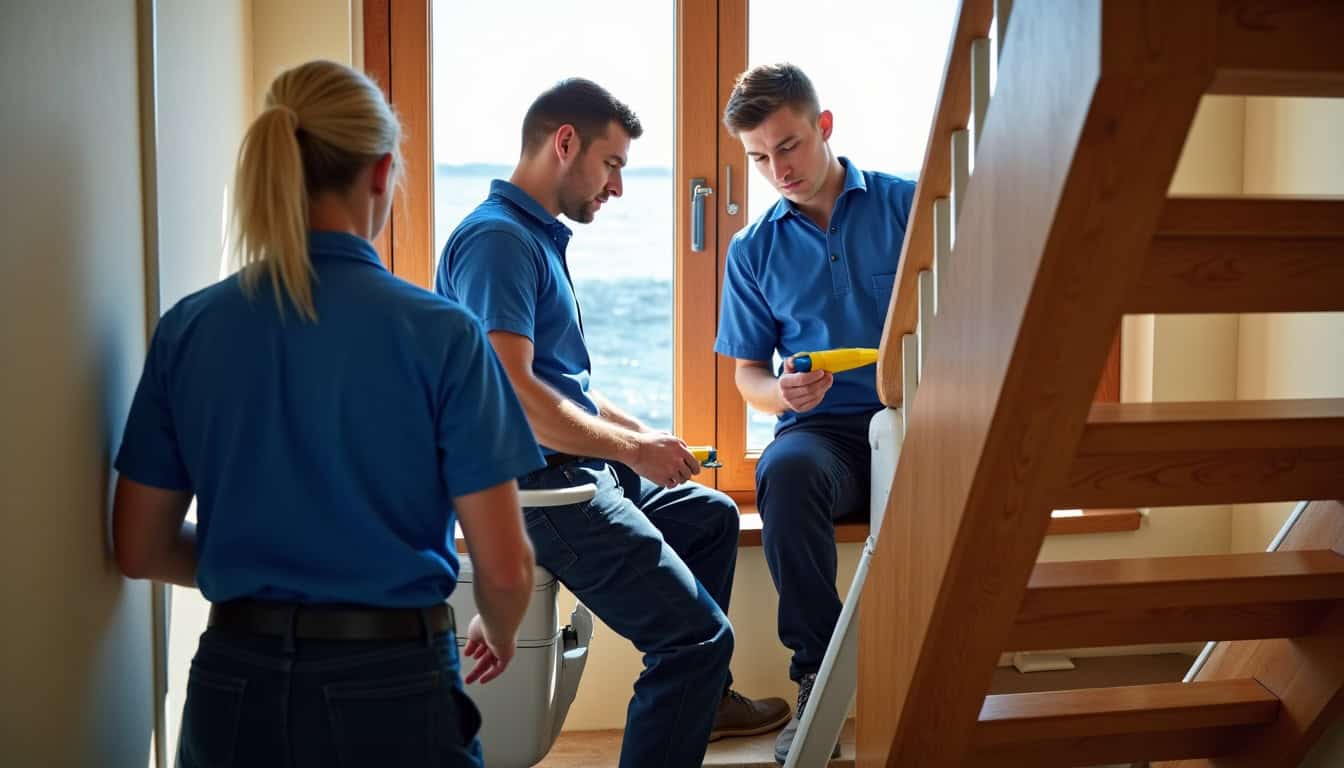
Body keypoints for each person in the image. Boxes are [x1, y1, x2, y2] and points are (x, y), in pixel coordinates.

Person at [112, 60, 542, 768]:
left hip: (231, 684)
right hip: (391, 686)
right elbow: (503, 568)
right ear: (379, 172)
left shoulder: (190, 329)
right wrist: (498, 629)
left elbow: (139, 546)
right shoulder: (440, 334)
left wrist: (257, 568)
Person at [436, 78, 790, 768]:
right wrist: (631, 450)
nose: (618, 188)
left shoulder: (532, 238)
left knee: (709, 517)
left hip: (577, 469)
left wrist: (648, 442)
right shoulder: (498, 244)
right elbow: (513, 397)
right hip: (544, 491)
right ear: (565, 143)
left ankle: (706, 704)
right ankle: (696, 681)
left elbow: (563, 386)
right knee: (695, 640)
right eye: (614, 164)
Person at [715, 62, 917, 763]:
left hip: (920, 420)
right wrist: (782, 393)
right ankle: (819, 684)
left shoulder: (913, 208)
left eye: (789, 146)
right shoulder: (752, 249)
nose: (778, 169)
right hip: (822, 436)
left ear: (823, 126)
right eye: (759, 157)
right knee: (786, 472)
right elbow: (747, 375)